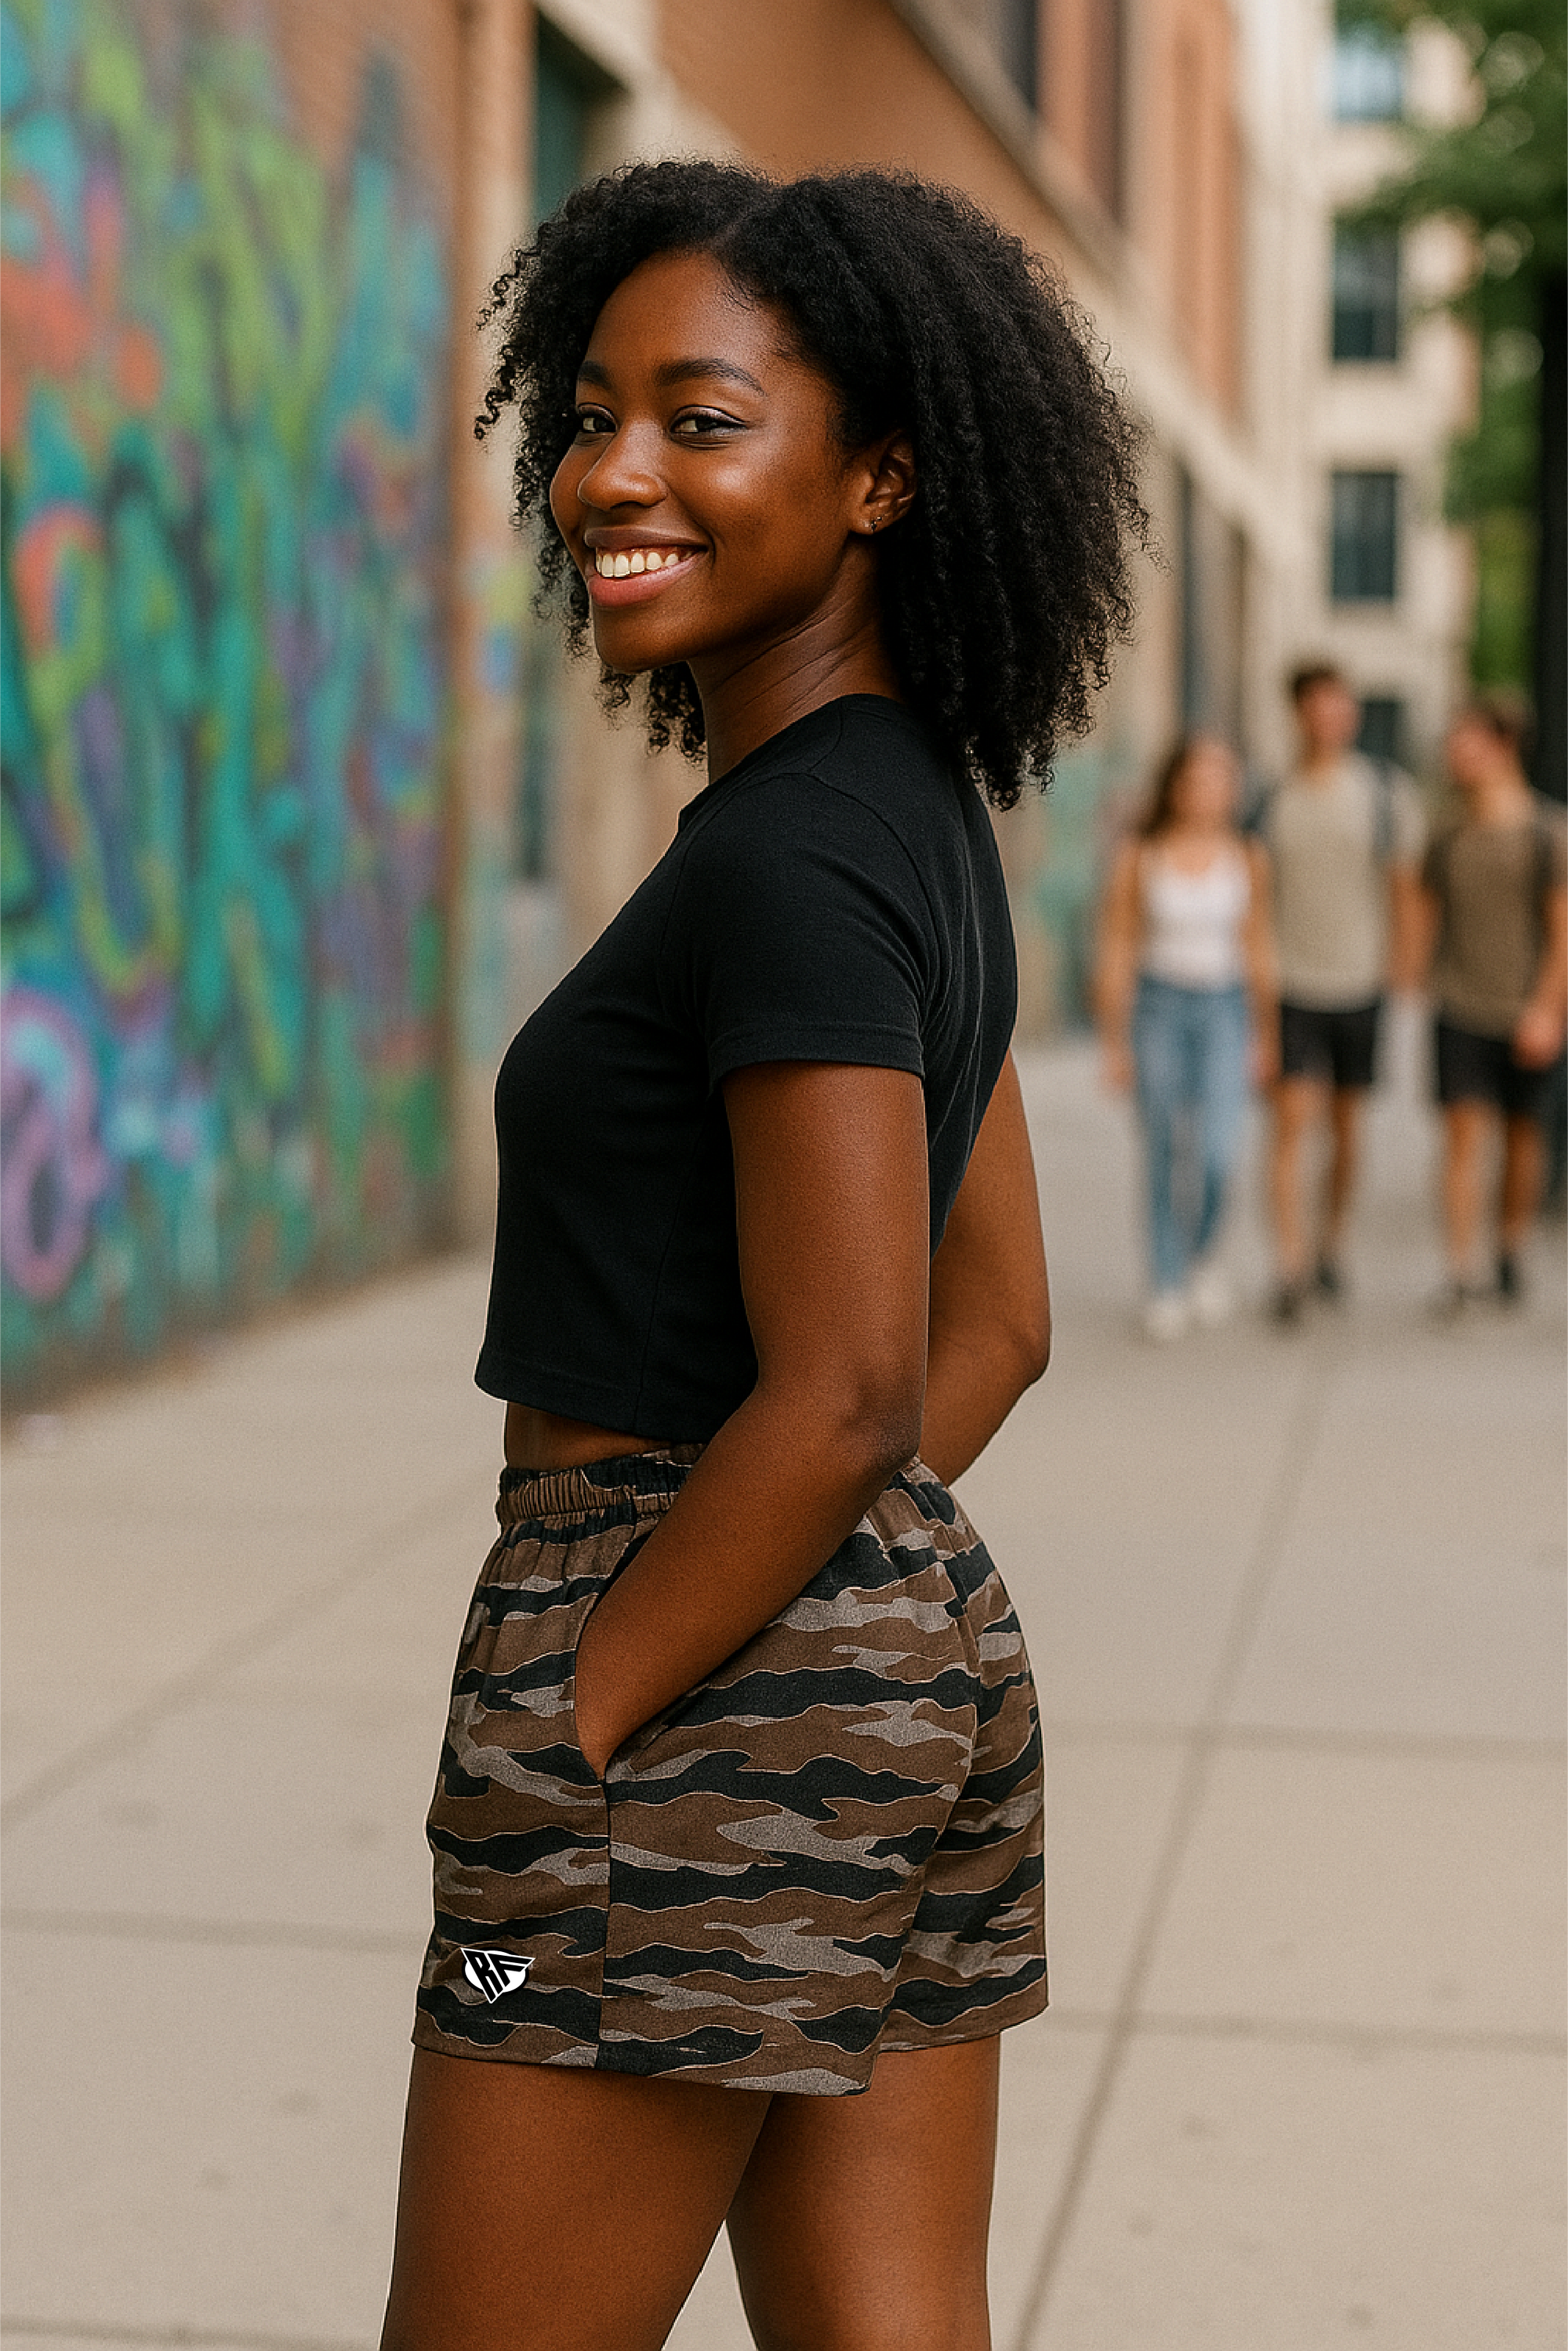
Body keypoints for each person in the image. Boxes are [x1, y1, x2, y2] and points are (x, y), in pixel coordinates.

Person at [379, 161, 1146, 2351]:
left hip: (685, 1658)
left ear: (884, 472)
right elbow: (995, 1316)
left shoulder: (793, 865)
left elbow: (844, 1386)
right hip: (887, 1661)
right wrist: (855, 1609)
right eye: (594, 412)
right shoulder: (913, 818)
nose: (611, 472)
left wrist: (591, 1692)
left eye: (701, 420)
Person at [1258, 662, 1426, 1321]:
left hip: (1360, 983)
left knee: (1347, 1131)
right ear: (1299, 713)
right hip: (1291, 983)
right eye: (1318, 706)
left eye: (1341, 705)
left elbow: (1403, 888)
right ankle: (1290, 1266)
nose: (1331, 717)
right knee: (1290, 1127)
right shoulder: (1270, 796)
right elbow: (1255, 892)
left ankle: (1331, 1246)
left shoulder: (1386, 793)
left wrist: (1403, 975)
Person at [1095, 735, 1276, 1340]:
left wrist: (1265, 1034)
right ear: (1175, 785)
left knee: (1220, 1150)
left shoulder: (1248, 855)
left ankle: (1203, 1257)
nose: (1210, 791)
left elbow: (1258, 946)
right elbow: (1119, 944)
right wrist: (1114, 1040)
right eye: (1199, 778)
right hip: (1159, 1007)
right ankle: (1167, 1280)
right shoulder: (1140, 854)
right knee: (1163, 1146)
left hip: (1226, 1009)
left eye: (1223, 779)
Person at [1421, 696, 1568, 1311]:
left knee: (1521, 1140)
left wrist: (1548, 1009)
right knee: (1460, 1135)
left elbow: (1562, 931)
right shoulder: (1448, 831)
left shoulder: (1547, 832)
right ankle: (1461, 1269)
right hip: (1458, 1003)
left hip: (1524, 1008)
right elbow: (1428, 912)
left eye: (1468, 742)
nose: (1456, 755)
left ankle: (1508, 1246)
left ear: (1503, 747)